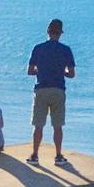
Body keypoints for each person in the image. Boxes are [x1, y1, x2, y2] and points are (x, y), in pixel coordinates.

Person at [26, 18, 75, 166]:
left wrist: (42, 70)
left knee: (38, 125)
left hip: (41, 88)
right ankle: (58, 155)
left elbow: (30, 71)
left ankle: (34, 155)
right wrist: (61, 72)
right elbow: (71, 74)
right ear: (60, 33)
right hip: (58, 89)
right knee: (57, 125)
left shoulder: (38, 48)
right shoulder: (66, 50)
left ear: (47, 32)